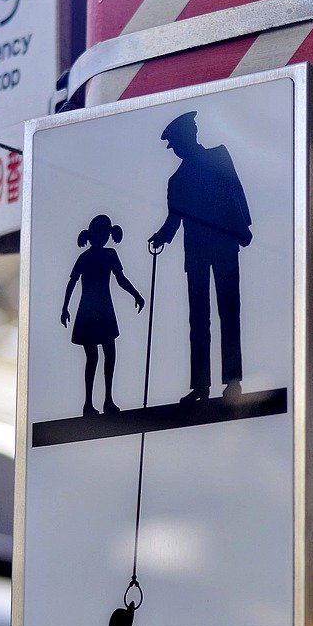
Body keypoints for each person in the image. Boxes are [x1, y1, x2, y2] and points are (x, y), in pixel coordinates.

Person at [148, 110, 252, 404]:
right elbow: (174, 219)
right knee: (199, 318)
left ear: (189, 137)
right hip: (195, 252)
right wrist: (161, 237)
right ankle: (201, 386)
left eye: (177, 142)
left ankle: (232, 381)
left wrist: (243, 225)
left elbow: (235, 191)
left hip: (223, 244)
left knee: (229, 312)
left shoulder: (219, 156)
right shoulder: (176, 180)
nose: (176, 149)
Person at [61, 214, 145, 416]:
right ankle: (91, 403)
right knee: (99, 357)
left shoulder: (102, 255)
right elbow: (72, 282)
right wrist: (64, 307)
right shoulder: (97, 256)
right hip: (96, 310)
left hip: (97, 310)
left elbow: (120, 279)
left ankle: (105, 400)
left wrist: (136, 294)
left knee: (104, 356)